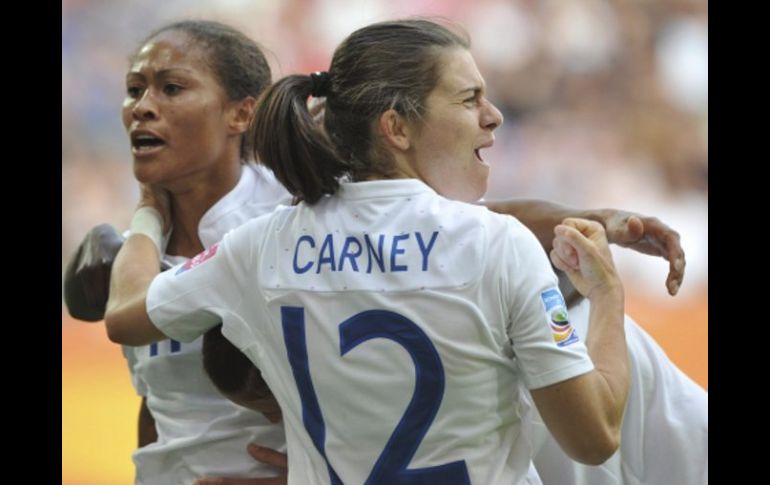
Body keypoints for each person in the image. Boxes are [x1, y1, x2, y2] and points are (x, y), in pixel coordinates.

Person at [102, 19, 631, 484]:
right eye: (469, 98)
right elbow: (594, 439)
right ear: (395, 127)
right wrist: (607, 295)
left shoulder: (261, 243)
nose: (493, 116)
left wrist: (148, 208)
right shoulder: (499, 244)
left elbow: (127, 317)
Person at [67, 20, 292, 485]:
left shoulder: (296, 220)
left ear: (241, 114)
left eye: (171, 88)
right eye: (134, 90)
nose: (142, 108)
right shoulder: (133, 256)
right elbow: (155, 405)